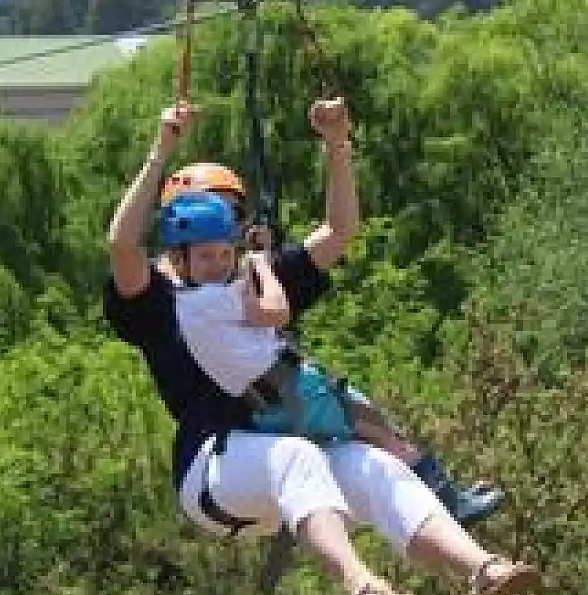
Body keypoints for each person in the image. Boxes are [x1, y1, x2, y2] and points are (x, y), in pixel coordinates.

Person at [102, 97, 540, 595]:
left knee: (376, 465)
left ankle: (481, 567)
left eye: (231, 229)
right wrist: (161, 150)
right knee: (296, 456)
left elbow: (337, 233)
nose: (224, 248)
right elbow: (121, 243)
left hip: (290, 468)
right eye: (208, 233)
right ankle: (362, 588)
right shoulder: (156, 300)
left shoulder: (253, 279)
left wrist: (336, 145)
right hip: (215, 469)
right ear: (177, 241)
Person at [155, 159, 507, 527]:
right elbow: (273, 309)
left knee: (374, 448)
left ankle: (439, 507)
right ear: (180, 250)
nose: (223, 233)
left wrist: (336, 147)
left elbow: (338, 232)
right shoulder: (195, 294)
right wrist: (259, 263)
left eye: (231, 216)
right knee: (382, 432)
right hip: (254, 427)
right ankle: (449, 504)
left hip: (263, 423)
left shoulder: (205, 288)